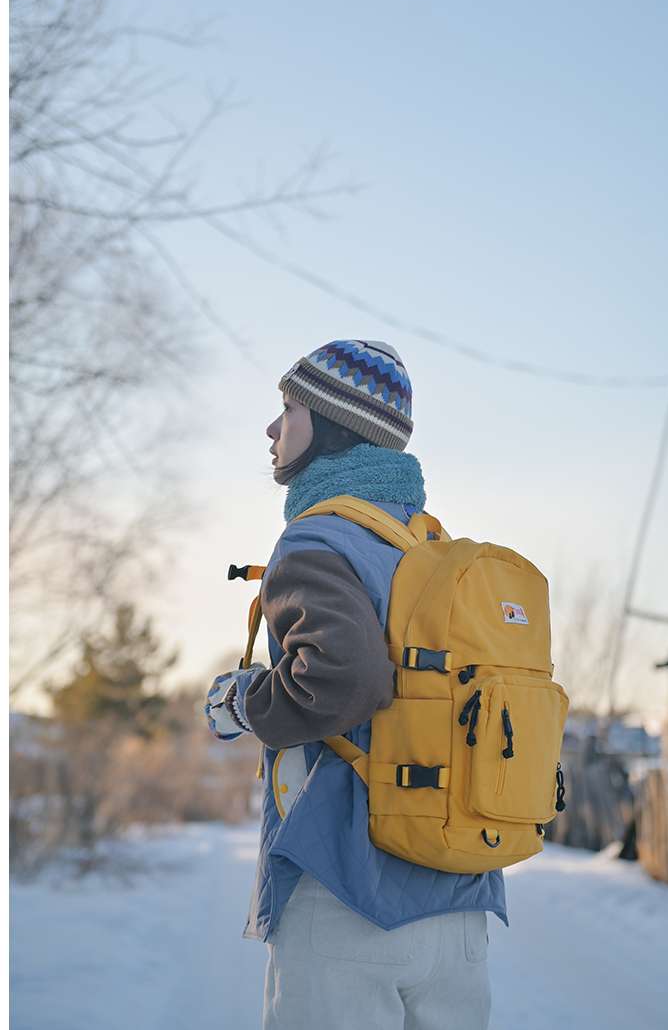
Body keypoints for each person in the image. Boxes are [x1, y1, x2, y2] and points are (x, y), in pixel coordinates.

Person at [205, 339, 507, 1030]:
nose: (273, 428)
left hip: (346, 898)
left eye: (289, 407)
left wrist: (240, 702)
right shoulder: (432, 549)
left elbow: (342, 679)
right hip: (457, 899)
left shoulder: (318, 541)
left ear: (337, 423)